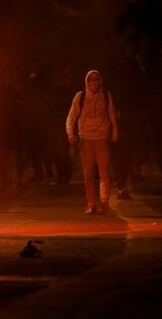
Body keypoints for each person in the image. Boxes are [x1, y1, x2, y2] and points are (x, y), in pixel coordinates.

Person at [66, 70, 118, 215]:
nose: (94, 82)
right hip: (86, 139)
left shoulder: (106, 96)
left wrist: (115, 131)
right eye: (91, 80)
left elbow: (111, 113)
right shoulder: (80, 97)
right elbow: (71, 116)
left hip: (102, 139)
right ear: (87, 82)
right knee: (88, 174)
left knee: (104, 173)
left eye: (96, 79)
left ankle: (104, 202)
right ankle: (91, 204)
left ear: (100, 81)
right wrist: (70, 133)